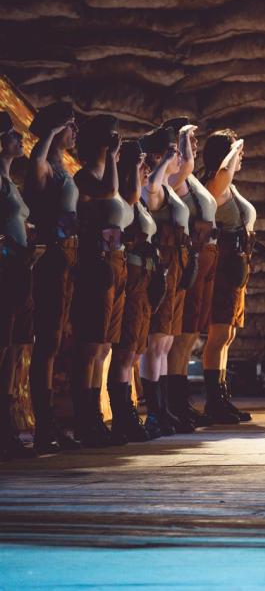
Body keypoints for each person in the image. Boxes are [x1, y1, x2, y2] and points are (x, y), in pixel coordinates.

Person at [70, 114, 130, 447]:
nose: (115, 141)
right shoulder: (85, 177)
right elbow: (109, 191)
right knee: (90, 344)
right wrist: (113, 158)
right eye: (111, 137)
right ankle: (85, 419)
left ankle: (95, 416)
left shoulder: (108, 174)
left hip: (112, 259)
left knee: (104, 344)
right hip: (94, 261)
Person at [24, 101, 80, 453]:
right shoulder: (45, 166)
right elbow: (35, 164)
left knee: (57, 341)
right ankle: (44, 425)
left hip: (68, 256)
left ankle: (54, 421)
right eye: (70, 126)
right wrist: (51, 131)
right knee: (47, 342)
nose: (75, 132)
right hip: (53, 258)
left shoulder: (62, 167)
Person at [139, 126, 191, 436]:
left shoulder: (170, 187)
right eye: (173, 153)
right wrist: (162, 161)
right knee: (156, 341)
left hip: (177, 267)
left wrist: (179, 147)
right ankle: (155, 412)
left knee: (166, 341)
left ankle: (164, 408)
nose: (179, 158)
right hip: (163, 267)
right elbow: (151, 186)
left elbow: (186, 167)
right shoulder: (154, 188)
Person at [166, 119, 218, 428]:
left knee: (189, 336)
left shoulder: (191, 180)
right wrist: (183, 135)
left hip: (200, 258)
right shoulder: (174, 178)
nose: (194, 147)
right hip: (188, 258)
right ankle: (174, 401)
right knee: (181, 335)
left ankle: (180, 400)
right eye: (188, 141)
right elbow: (186, 164)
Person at [202, 129, 255, 424]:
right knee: (219, 333)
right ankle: (214, 401)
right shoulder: (216, 183)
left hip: (236, 265)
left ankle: (221, 396)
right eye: (237, 153)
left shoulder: (229, 187)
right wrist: (235, 147)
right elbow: (225, 171)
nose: (242, 157)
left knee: (228, 334)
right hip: (222, 266)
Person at [108, 140, 156, 443]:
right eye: (141, 164)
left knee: (136, 348)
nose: (147, 169)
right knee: (126, 349)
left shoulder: (138, 202)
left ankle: (128, 412)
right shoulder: (126, 199)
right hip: (133, 274)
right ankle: (122, 416)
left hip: (146, 275)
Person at [0, 112, 36, 459]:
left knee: (13, 346)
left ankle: (7, 423)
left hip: (19, 267)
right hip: (5, 267)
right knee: (3, 343)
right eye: (12, 135)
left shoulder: (10, 181)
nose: (19, 139)